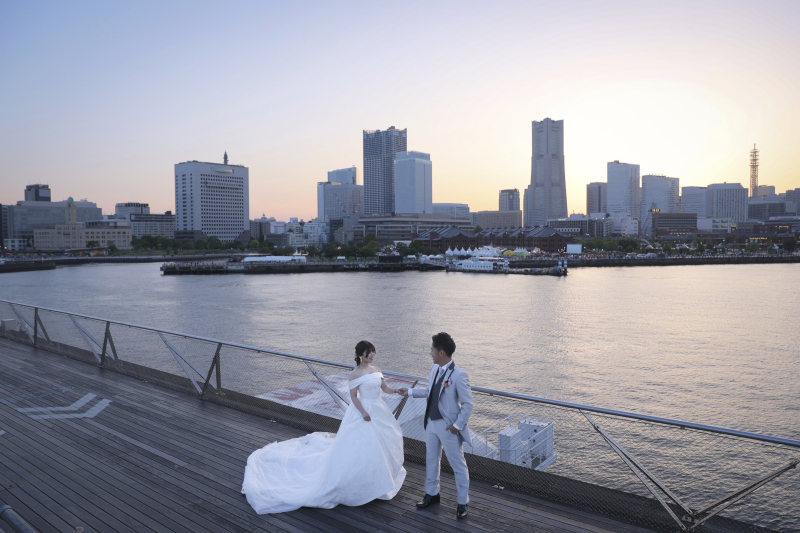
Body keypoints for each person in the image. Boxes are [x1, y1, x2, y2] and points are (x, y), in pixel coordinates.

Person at [241, 340, 407, 514]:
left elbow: (385, 388)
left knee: (381, 442)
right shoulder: (355, 374)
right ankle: (361, 482)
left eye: (373, 352)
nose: (372, 355)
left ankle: (378, 478)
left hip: (379, 409)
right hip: (364, 411)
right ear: (360, 355)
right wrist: (363, 413)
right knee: (361, 445)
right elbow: (354, 397)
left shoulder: (377, 370)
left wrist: (395, 390)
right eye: (369, 352)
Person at [398, 332, 473, 519]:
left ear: (441, 352)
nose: (430, 353)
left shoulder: (459, 375)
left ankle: (462, 503)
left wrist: (457, 425)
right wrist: (408, 391)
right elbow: (429, 392)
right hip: (431, 423)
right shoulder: (435, 370)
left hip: (448, 427)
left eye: (432, 350)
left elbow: (468, 404)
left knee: (458, 465)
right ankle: (432, 494)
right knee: (431, 460)